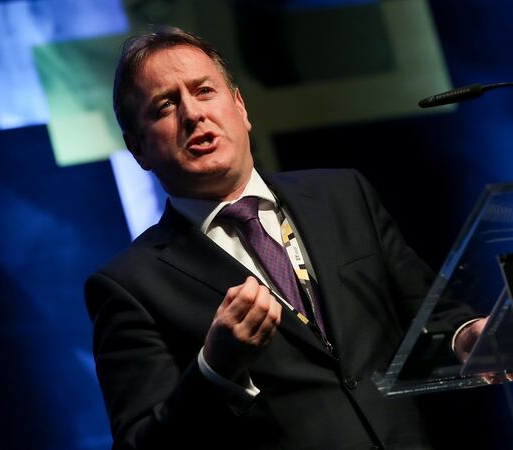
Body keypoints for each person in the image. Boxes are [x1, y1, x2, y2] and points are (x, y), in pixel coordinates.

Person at [85, 25, 483, 450]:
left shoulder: (343, 196)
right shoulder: (130, 286)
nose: (193, 114)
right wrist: (215, 369)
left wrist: (468, 335)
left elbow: (428, 316)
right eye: (165, 105)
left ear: (240, 106)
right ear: (138, 149)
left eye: (204, 91)